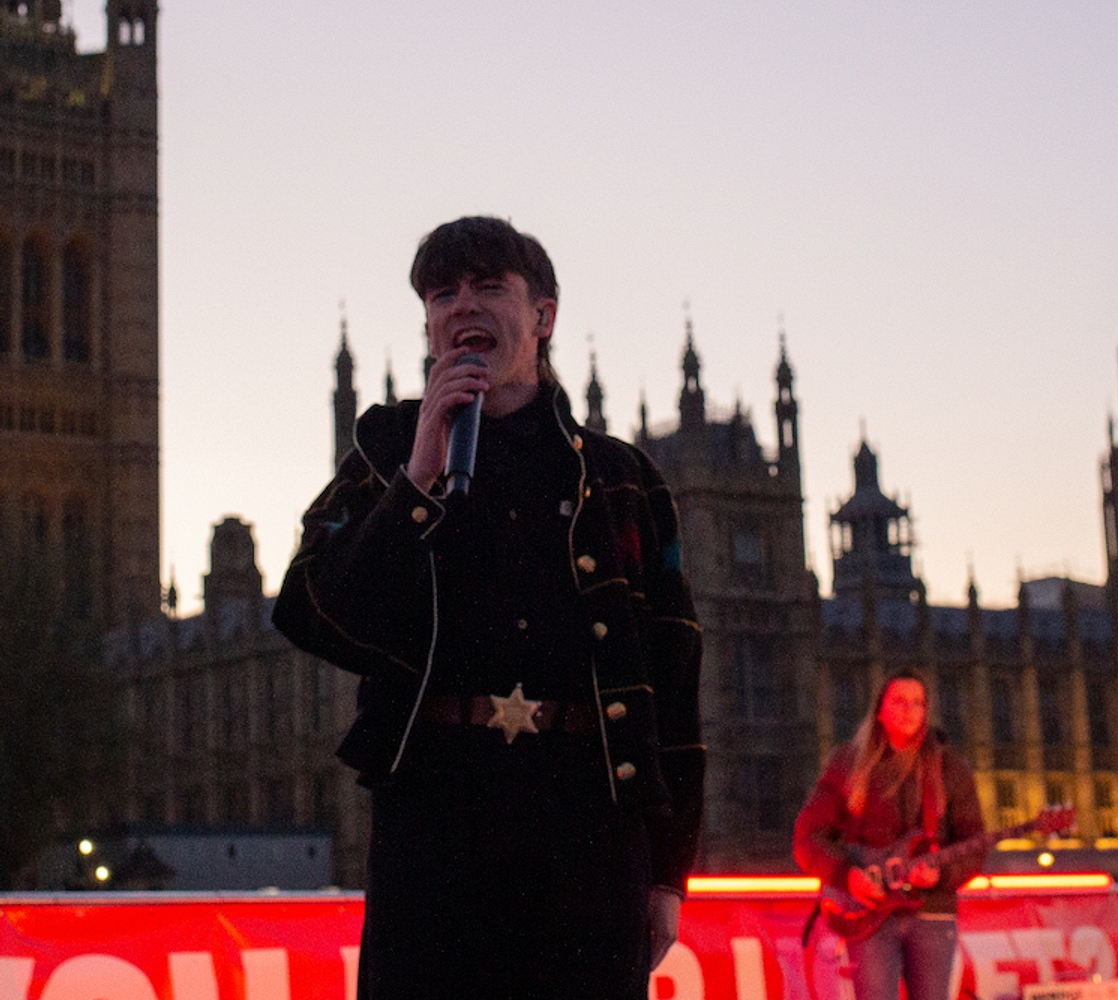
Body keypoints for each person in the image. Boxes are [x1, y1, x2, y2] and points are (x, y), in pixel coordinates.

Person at [273, 216, 704, 1000]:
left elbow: (673, 677)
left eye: (489, 286)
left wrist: (668, 869)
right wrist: (417, 483)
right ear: (429, 325)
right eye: (443, 293)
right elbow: (308, 612)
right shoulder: (387, 451)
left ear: (544, 316)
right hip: (436, 828)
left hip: (590, 831)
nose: (462, 305)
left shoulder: (624, 481)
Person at [793, 670, 985, 1000]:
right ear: (879, 709)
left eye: (917, 703)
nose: (909, 710)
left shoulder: (950, 767)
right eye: (899, 701)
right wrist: (846, 876)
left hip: (932, 912)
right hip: (868, 916)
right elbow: (808, 838)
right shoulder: (848, 763)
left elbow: (974, 845)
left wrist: (941, 875)